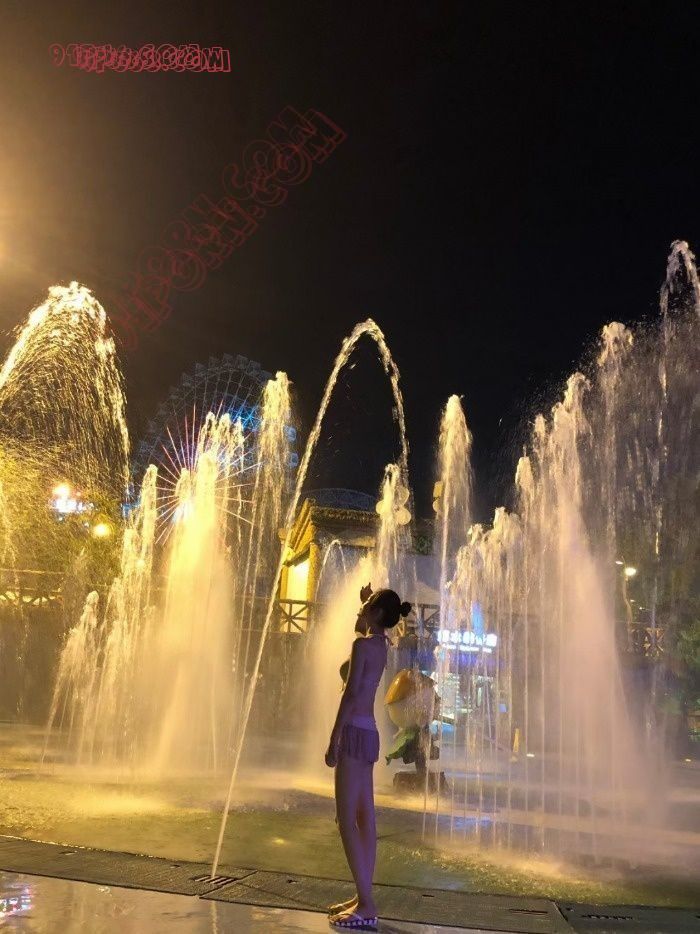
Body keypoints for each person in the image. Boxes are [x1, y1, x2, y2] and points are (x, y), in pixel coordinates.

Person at [325, 583, 411, 931]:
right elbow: (371, 625)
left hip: (352, 733)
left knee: (346, 819)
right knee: (365, 818)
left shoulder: (361, 646)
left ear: (375, 613)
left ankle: (366, 902)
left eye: (366, 606)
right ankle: (363, 897)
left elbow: (349, 695)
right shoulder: (381, 646)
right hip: (370, 734)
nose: (360, 610)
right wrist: (367, 602)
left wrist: (334, 739)